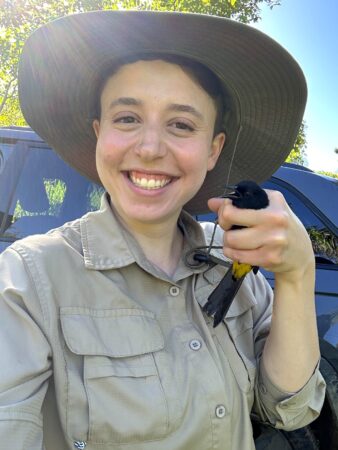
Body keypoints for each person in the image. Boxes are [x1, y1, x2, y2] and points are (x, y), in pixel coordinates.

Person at [0, 10, 325, 450]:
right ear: (99, 133)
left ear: (214, 150)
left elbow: (290, 408)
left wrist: (297, 273)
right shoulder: (28, 279)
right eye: (127, 118)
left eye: (181, 125)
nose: (150, 148)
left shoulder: (236, 261)